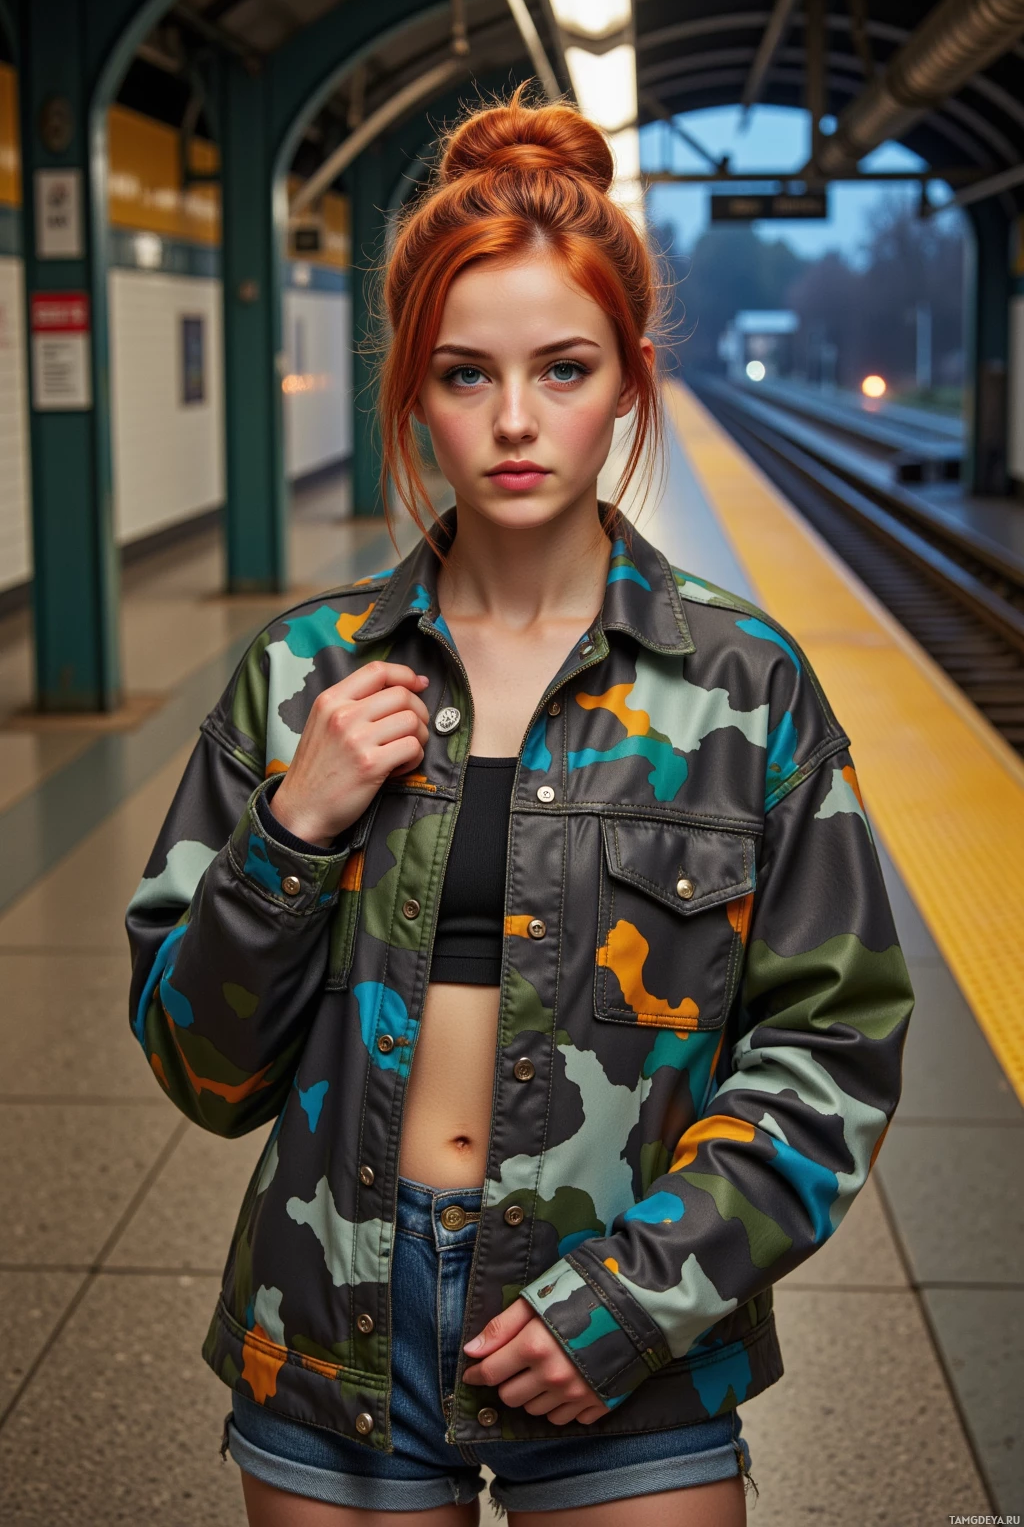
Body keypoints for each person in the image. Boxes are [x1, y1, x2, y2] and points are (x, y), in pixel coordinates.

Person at [126, 86, 913, 1527]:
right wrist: (292, 830)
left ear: (629, 380)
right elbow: (201, 1070)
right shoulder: (303, 672)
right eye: (464, 375)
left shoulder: (744, 688)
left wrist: (631, 1300)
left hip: (628, 1343)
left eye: (562, 369)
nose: (513, 422)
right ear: (411, 391)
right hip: (336, 1333)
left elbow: (835, 1044)